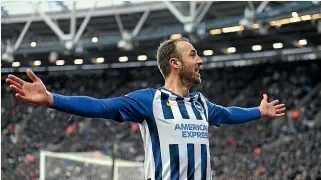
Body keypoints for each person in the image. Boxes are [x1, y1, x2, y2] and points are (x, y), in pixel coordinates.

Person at [6, 37, 286, 180]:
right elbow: (102, 107)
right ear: (175, 64)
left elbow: (227, 114)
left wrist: (258, 112)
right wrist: (52, 98)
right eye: (193, 55)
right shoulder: (149, 101)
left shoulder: (201, 104)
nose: (200, 60)